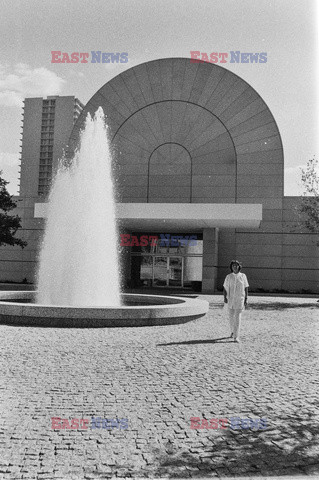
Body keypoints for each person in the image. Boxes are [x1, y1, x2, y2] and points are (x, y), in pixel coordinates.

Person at [223, 260, 249, 343]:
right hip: (230, 299)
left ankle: (236, 336)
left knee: (237, 318)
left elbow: (246, 287)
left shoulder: (243, 276)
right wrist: (225, 297)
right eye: (233, 265)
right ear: (231, 267)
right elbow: (224, 287)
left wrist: (246, 298)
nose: (235, 267)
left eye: (236, 265)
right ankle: (232, 331)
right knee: (231, 317)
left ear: (239, 267)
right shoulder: (228, 276)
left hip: (239, 299)